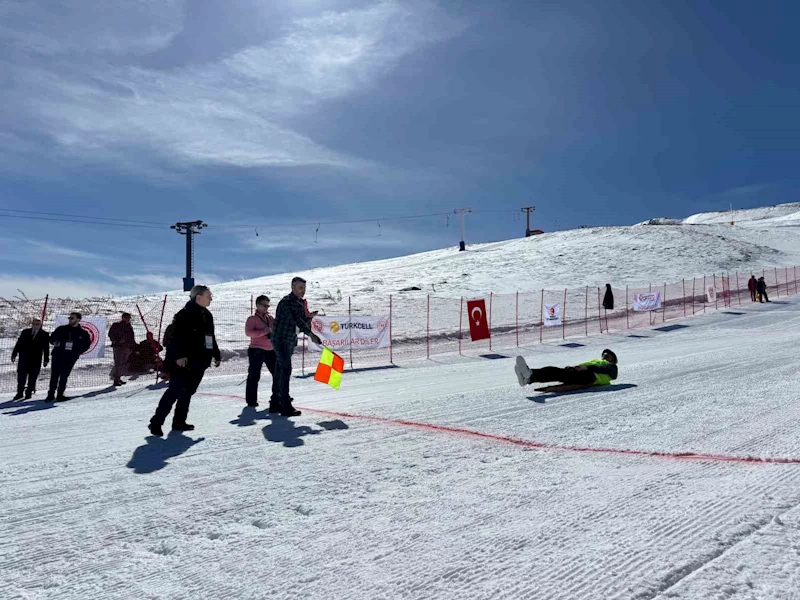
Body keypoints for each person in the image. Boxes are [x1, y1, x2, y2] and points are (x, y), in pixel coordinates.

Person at [148, 285, 221, 437]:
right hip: (183, 360)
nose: (211, 299)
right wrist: (179, 356)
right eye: (208, 296)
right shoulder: (184, 314)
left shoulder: (207, 315)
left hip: (200, 360)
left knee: (188, 392)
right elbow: (176, 338)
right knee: (175, 390)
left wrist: (215, 353)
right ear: (198, 297)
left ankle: (179, 422)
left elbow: (210, 336)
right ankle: (156, 422)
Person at [271, 277, 322, 417]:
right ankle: (285, 405)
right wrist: (311, 334)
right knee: (285, 369)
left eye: (304, 288)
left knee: (280, 369)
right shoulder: (287, 302)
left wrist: (309, 318)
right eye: (300, 288)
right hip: (281, 339)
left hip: (288, 340)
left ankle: (275, 402)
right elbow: (296, 320)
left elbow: (300, 322)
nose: (303, 291)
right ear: (293, 287)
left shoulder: (299, 303)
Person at [245, 295, 280, 410]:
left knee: (277, 374)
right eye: (264, 305)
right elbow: (248, 333)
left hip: (270, 350)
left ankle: (279, 396)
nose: (266, 308)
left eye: (268, 305)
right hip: (256, 349)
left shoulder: (270, 318)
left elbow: (276, 328)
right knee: (254, 375)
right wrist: (264, 332)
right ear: (258, 305)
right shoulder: (252, 319)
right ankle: (251, 400)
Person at [515, 349, 618, 388]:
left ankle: (530, 375)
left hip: (591, 378)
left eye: (608, 356)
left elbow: (608, 372)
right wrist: (573, 368)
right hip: (583, 374)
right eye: (604, 355)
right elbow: (584, 366)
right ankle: (528, 378)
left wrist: (586, 367)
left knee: (557, 373)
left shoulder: (613, 367)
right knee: (556, 371)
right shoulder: (596, 361)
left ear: (613, 359)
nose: (605, 356)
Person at [47, 312, 91, 401]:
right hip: (58, 355)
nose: (70, 320)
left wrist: (77, 352)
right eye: (69, 318)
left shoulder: (83, 333)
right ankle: (51, 394)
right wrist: (54, 342)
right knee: (54, 375)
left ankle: (60, 394)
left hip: (71, 357)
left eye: (72, 318)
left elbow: (86, 345)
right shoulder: (61, 329)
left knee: (64, 376)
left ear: (78, 320)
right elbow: (51, 338)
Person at [11, 318, 49, 400]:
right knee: (21, 377)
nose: (35, 326)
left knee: (32, 377)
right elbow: (19, 343)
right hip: (24, 358)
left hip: (36, 360)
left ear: (40, 325)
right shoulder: (25, 332)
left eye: (37, 324)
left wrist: (46, 359)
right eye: (34, 324)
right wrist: (14, 354)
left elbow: (46, 348)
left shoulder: (44, 334)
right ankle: (19, 393)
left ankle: (28, 392)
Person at [108, 312, 136, 386]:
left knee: (123, 364)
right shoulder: (116, 325)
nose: (128, 319)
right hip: (118, 347)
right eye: (126, 318)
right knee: (118, 363)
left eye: (129, 318)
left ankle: (118, 378)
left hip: (127, 348)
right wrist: (117, 341)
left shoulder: (129, 327)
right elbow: (111, 334)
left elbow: (132, 337)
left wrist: (133, 346)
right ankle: (116, 380)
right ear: (123, 318)